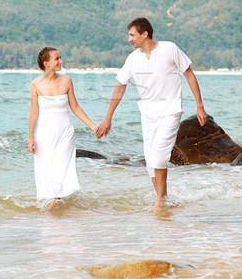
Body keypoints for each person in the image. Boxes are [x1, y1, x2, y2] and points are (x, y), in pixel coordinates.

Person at [96, 17, 208, 212]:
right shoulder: (133, 59)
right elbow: (120, 87)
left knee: (159, 157)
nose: (129, 39)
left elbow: (189, 74)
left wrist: (200, 106)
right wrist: (108, 118)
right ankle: (163, 198)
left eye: (132, 35)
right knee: (150, 161)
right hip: (147, 114)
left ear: (144, 34)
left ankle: (161, 201)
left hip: (170, 111)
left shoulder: (169, 48)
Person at [28, 47, 99, 209]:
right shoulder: (35, 84)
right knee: (46, 169)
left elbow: (75, 107)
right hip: (45, 134)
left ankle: (54, 203)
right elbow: (34, 112)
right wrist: (31, 137)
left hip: (65, 132)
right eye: (57, 59)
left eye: (60, 58)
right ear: (46, 63)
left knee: (60, 167)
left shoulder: (67, 81)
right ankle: (53, 205)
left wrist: (93, 126)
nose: (61, 61)